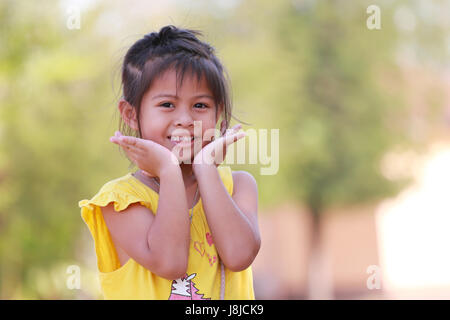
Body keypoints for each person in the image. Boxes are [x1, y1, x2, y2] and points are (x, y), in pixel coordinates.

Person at [78, 25, 261, 300]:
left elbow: (238, 255)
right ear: (130, 114)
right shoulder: (120, 201)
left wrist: (205, 168)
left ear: (218, 114)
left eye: (200, 106)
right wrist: (168, 171)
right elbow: (170, 263)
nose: (185, 119)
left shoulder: (239, 186)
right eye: (167, 105)